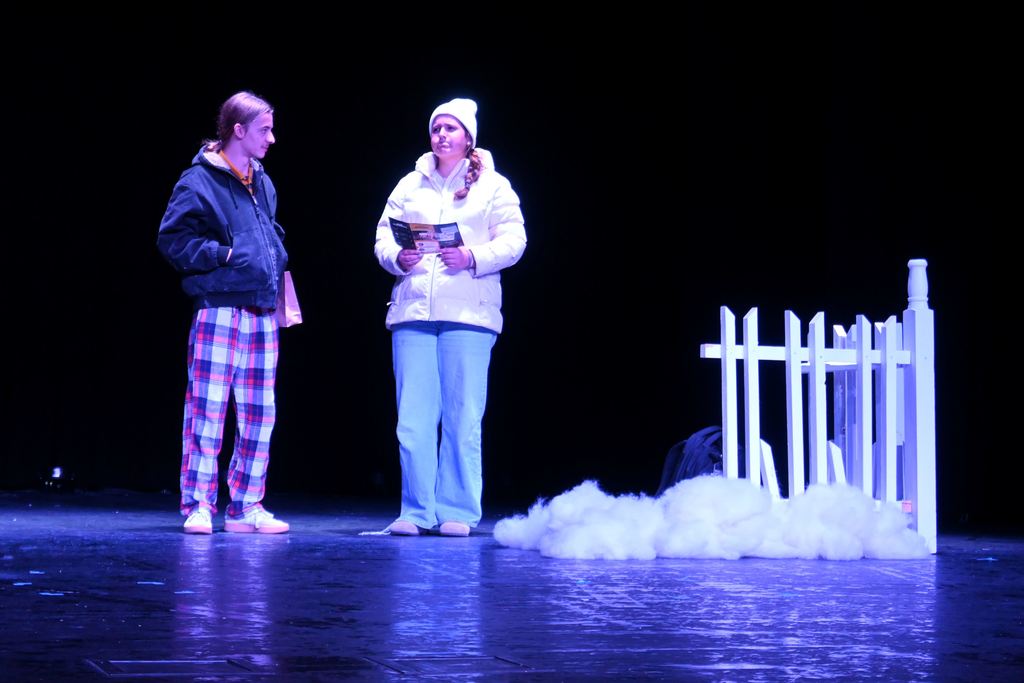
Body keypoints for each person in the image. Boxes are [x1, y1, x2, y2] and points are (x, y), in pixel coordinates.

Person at [374, 97, 527, 537]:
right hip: (413, 311)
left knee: (462, 416)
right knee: (413, 419)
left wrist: (473, 256)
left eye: (451, 129)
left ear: (468, 137)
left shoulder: (494, 186)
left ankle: (457, 509)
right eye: (436, 128)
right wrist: (396, 257)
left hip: (469, 315)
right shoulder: (410, 184)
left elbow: (515, 240)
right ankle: (416, 511)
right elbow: (383, 235)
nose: (442, 135)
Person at [157, 91, 290, 535]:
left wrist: (275, 256)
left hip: (261, 309)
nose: (271, 138)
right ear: (238, 130)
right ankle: (199, 503)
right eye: (264, 129)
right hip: (219, 306)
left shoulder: (262, 181)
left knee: (259, 412)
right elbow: (173, 240)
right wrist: (226, 254)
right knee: (208, 408)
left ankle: (246, 504)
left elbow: (268, 233)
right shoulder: (198, 180)